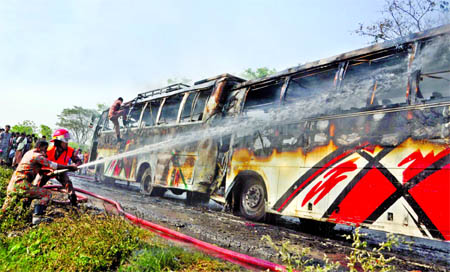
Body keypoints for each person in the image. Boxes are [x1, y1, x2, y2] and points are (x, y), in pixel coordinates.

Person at [1, 140, 78, 224]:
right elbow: (53, 165)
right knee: (47, 194)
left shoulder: (29, 153)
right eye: (45, 149)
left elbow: (35, 167)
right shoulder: (37, 156)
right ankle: (37, 217)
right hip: (22, 185)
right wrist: (70, 167)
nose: (46, 151)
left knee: (5, 211)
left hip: (13, 186)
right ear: (39, 147)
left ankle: (21, 216)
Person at [36, 129, 82, 205]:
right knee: (37, 184)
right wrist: (42, 171)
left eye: (68, 140)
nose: (67, 142)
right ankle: (29, 200)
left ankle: (73, 202)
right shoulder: (48, 150)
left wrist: (76, 165)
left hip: (61, 172)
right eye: (65, 140)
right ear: (58, 141)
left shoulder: (70, 150)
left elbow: (78, 160)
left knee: (68, 183)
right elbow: (38, 163)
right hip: (46, 172)